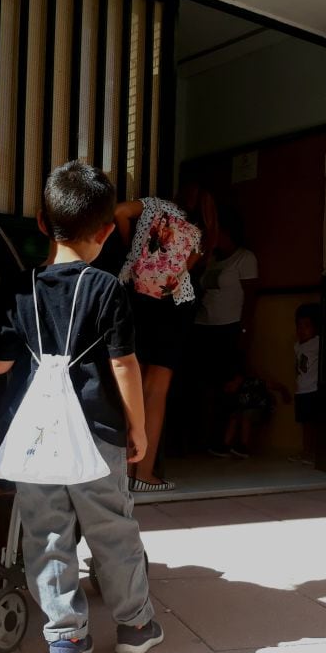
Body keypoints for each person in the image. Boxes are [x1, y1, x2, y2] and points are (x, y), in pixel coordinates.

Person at [0, 161, 164, 653]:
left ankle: (65, 637)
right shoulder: (107, 289)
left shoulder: (20, 290)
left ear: (42, 222)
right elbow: (124, 365)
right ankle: (134, 625)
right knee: (112, 528)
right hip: (97, 433)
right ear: (108, 232)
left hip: (35, 440)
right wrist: (138, 427)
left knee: (45, 532)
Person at [114, 186, 213, 493]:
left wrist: (133, 247)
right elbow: (182, 272)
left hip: (137, 299)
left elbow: (118, 212)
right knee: (156, 392)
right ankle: (143, 474)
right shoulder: (201, 232)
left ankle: (117, 472)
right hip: (173, 306)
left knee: (129, 382)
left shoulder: (154, 206)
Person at [193, 205, 258, 448]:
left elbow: (251, 297)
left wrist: (244, 328)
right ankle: (204, 437)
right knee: (204, 384)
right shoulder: (213, 259)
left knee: (227, 384)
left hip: (228, 325)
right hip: (204, 324)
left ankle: (222, 440)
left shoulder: (245, 258)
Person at [208, 371, 290, 459]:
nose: (229, 390)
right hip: (249, 412)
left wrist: (284, 392)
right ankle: (225, 446)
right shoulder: (237, 391)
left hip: (263, 410)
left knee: (246, 414)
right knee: (235, 415)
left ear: (236, 380)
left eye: (229, 387)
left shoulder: (252, 382)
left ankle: (244, 447)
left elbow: (273, 385)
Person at [288, 302, 320, 465]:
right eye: (299, 326)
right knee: (304, 424)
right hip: (301, 390)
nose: (301, 330)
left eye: (306, 326)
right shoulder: (297, 346)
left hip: (313, 390)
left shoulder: (317, 343)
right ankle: (306, 451)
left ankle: (312, 452)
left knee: (311, 424)